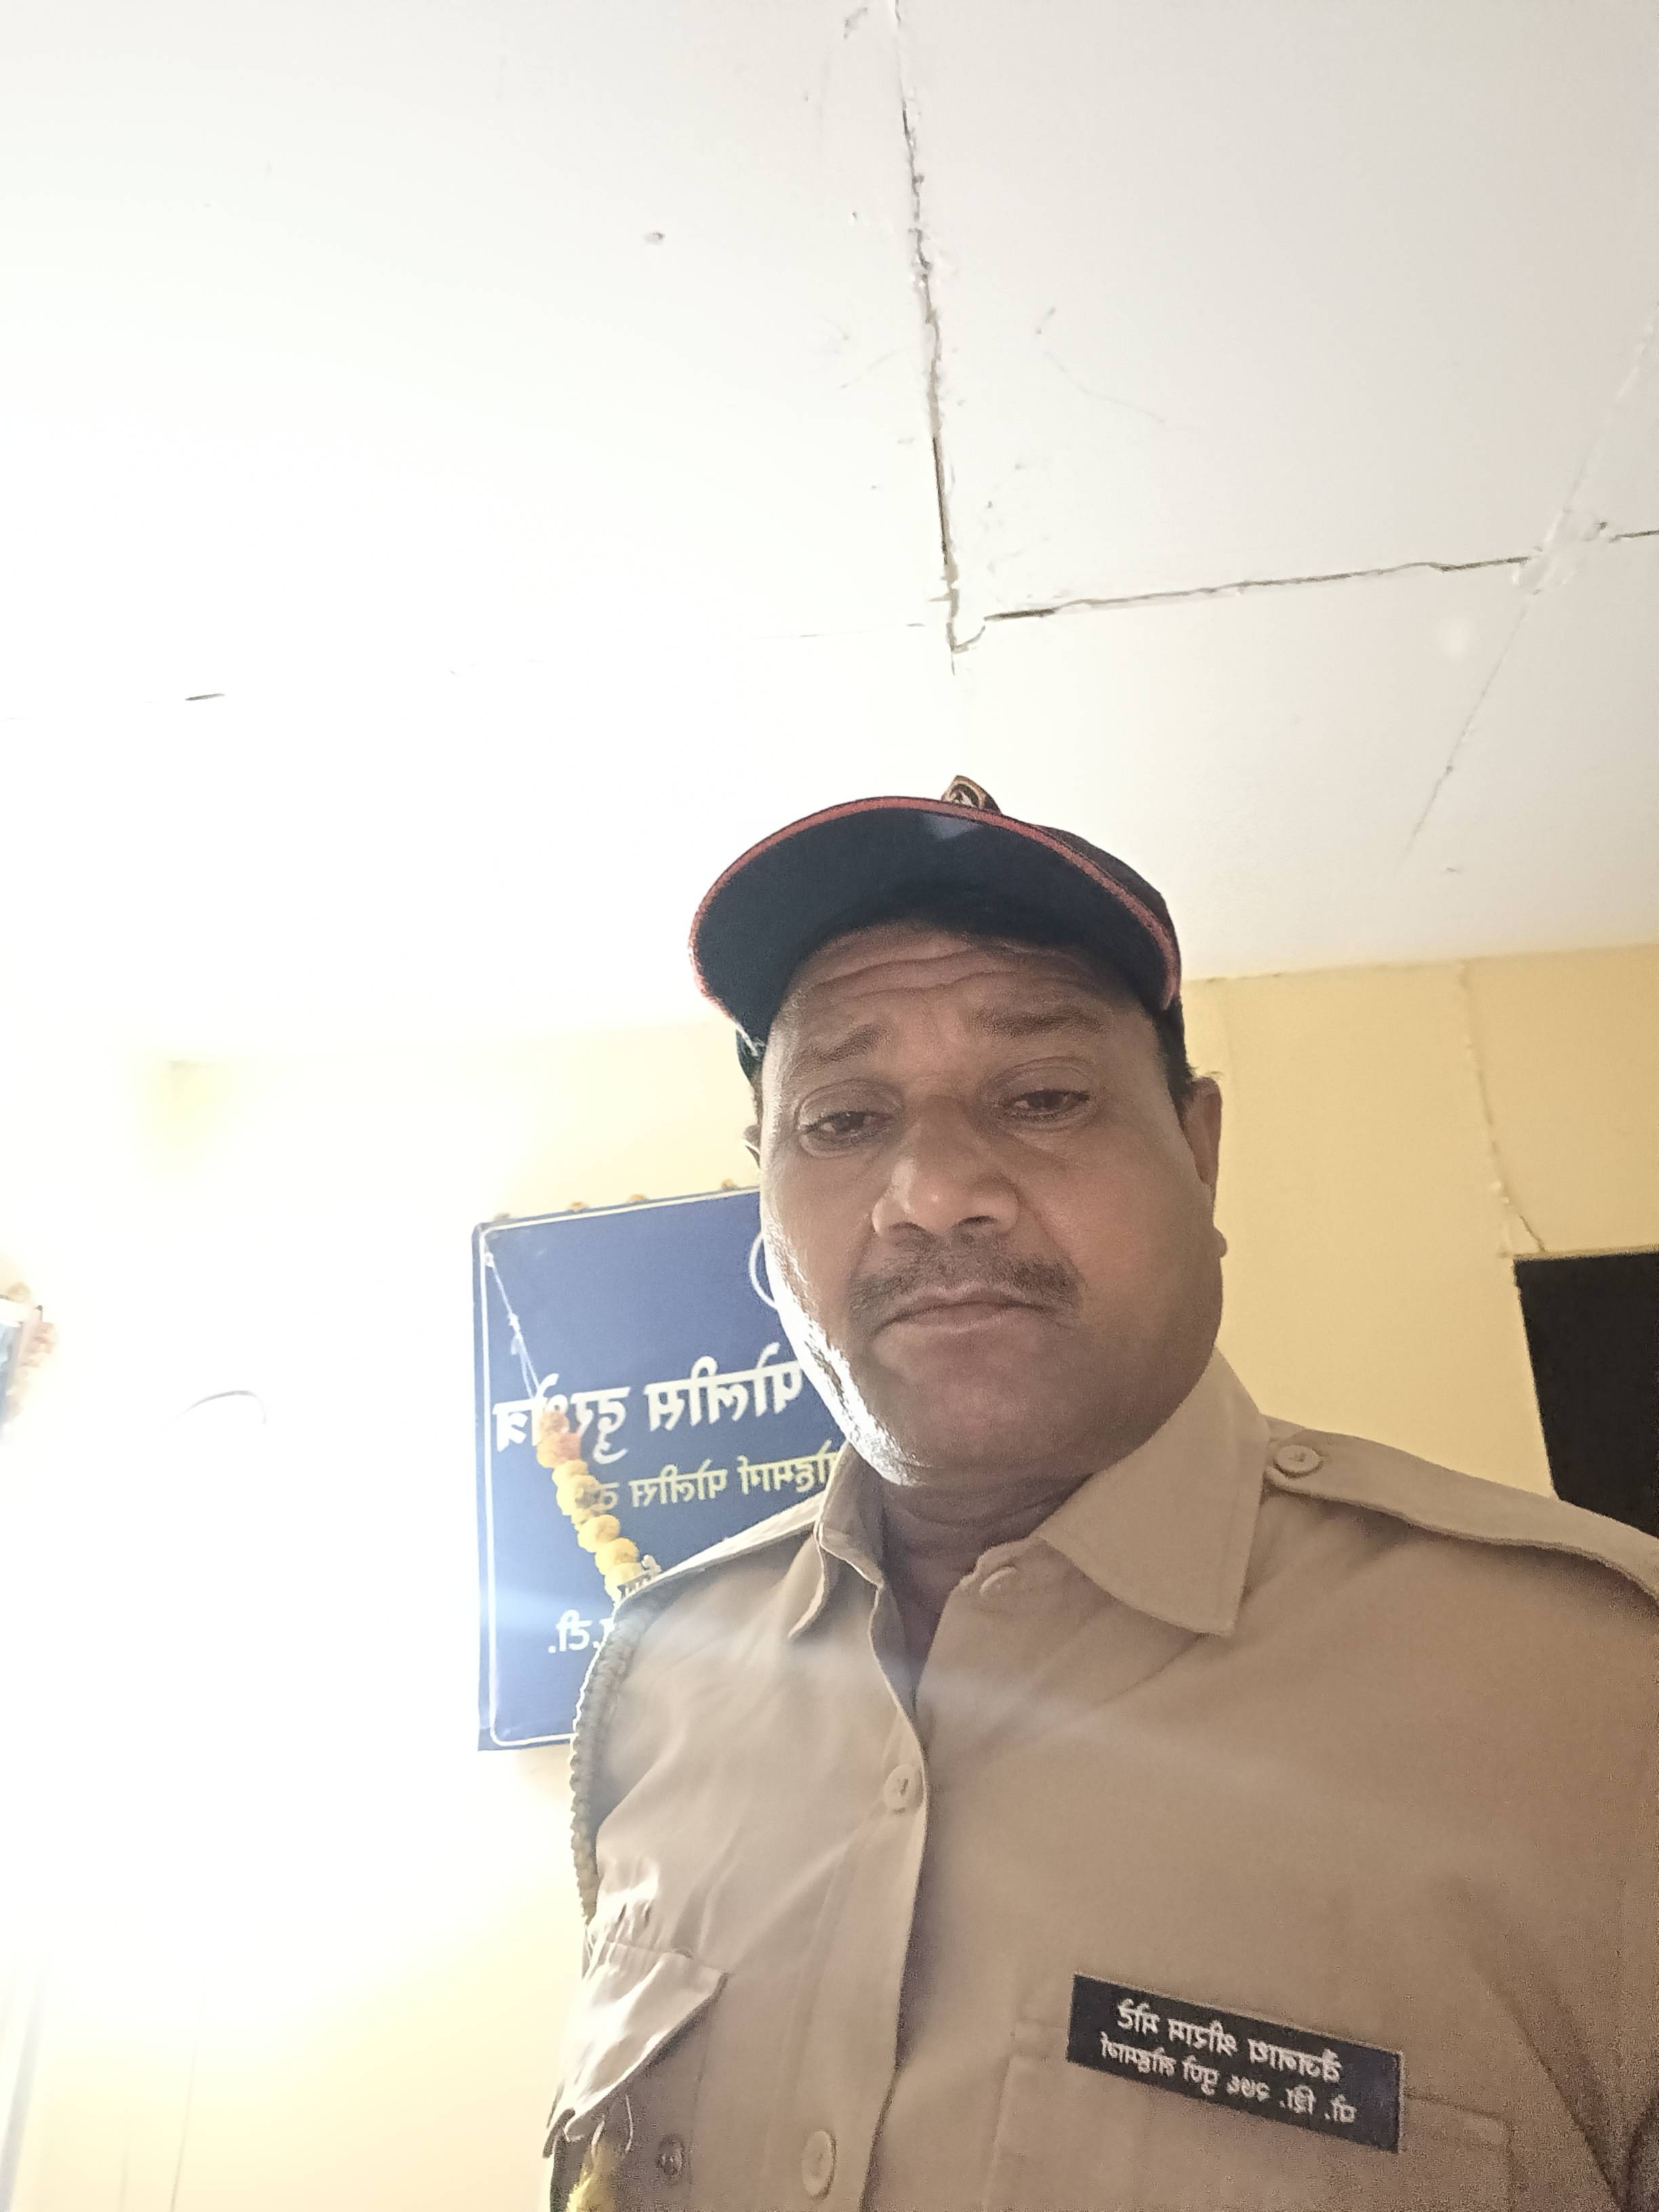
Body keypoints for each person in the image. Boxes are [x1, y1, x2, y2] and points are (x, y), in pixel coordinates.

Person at [545, 779, 1659, 2212]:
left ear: (1199, 1155)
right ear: (762, 1208)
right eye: (842, 1117)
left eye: (1044, 1097)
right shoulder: (661, 1683)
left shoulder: (1604, 1704)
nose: (933, 1188)